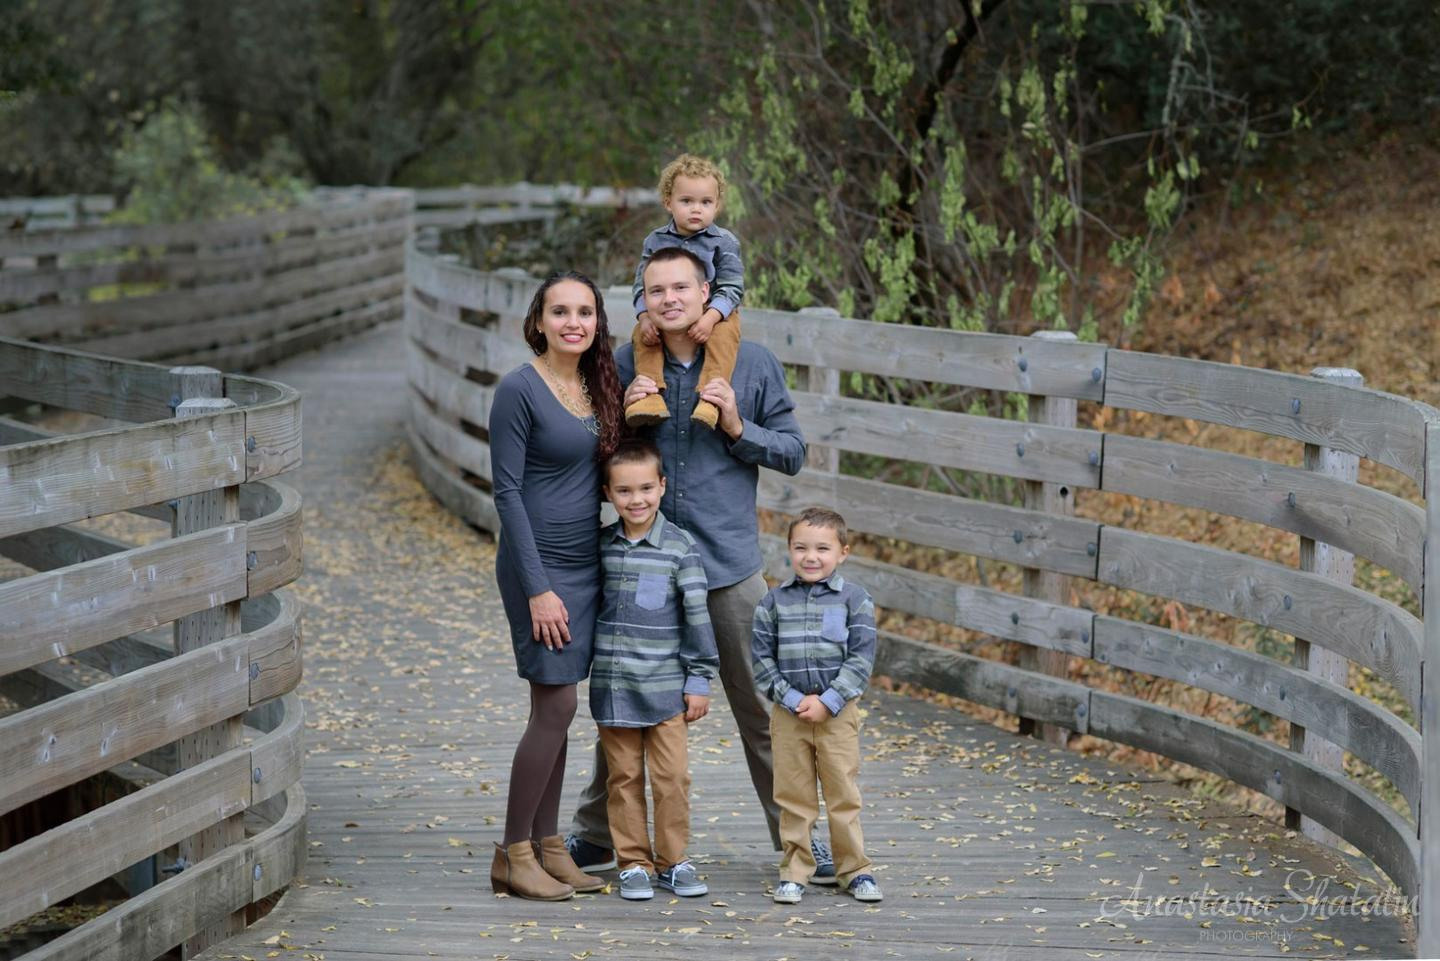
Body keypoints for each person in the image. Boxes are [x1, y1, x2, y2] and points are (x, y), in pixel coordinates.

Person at [566, 246, 831, 878]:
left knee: (764, 714)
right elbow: (592, 459)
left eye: (681, 287)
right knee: (628, 701)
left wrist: (739, 425)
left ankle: (797, 839)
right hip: (642, 570)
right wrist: (618, 419)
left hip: (728, 568)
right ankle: (598, 834)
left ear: (706, 289)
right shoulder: (626, 363)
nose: (670, 300)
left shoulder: (753, 362)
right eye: (657, 291)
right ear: (644, 299)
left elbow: (794, 451)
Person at [487, 272, 624, 901]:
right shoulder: (520, 388)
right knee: (558, 707)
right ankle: (513, 852)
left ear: (598, 321)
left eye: (585, 311)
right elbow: (507, 491)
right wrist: (538, 587)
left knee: (559, 710)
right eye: (560, 311)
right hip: (537, 565)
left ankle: (548, 847)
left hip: (585, 560)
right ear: (538, 321)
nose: (574, 321)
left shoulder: (597, 386)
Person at [591, 440, 720, 901]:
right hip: (615, 686)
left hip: (667, 689)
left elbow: (697, 617)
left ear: (662, 487)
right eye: (624, 491)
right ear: (608, 494)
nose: (637, 499)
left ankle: (673, 860)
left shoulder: (680, 548)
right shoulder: (602, 548)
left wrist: (699, 677)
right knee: (622, 779)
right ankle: (633, 863)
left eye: (646, 487)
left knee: (672, 778)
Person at [752, 507, 881, 905]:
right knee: (794, 796)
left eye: (822, 548)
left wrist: (829, 701)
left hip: (837, 717)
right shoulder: (772, 603)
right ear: (789, 550)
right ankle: (795, 870)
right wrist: (791, 699)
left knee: (843, 792)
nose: (811, 557)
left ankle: (854, 870)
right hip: (788, 717)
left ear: (843, 552)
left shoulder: (855, 600)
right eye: (801, 547)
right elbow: (760, 660)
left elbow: (861, 658)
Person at [625, 153, 744, 431]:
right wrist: (644, 317)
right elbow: (640, 284)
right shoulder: (656, 240)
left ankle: (710, 399)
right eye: (686, 201)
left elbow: (732, 286)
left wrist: (710, 318)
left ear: (717, 206)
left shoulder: (724, 241)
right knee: (643, 337)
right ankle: (649, 395)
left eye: (706, 202)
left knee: (724, 339)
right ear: (668, 202)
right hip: (667, 310)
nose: (696, 209)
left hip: (716, 312)